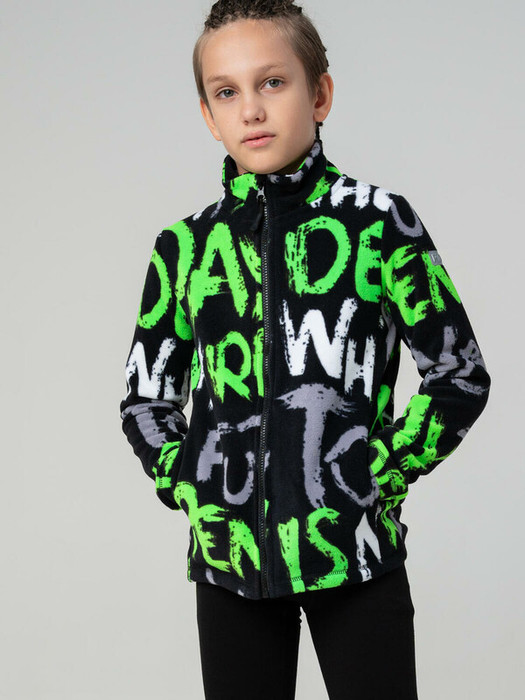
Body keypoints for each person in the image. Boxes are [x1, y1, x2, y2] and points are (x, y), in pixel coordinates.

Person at [119, 1, 491, 698]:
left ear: (319, 95)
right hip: (229, 568)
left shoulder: (379, 223)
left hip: (355, 556)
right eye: (226, 92)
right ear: (208, 116)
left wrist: (375, 474)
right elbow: (145, 398)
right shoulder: (184, 248)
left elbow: (459, 375)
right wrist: (191, 484)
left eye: (272, 82)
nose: (250, 109)